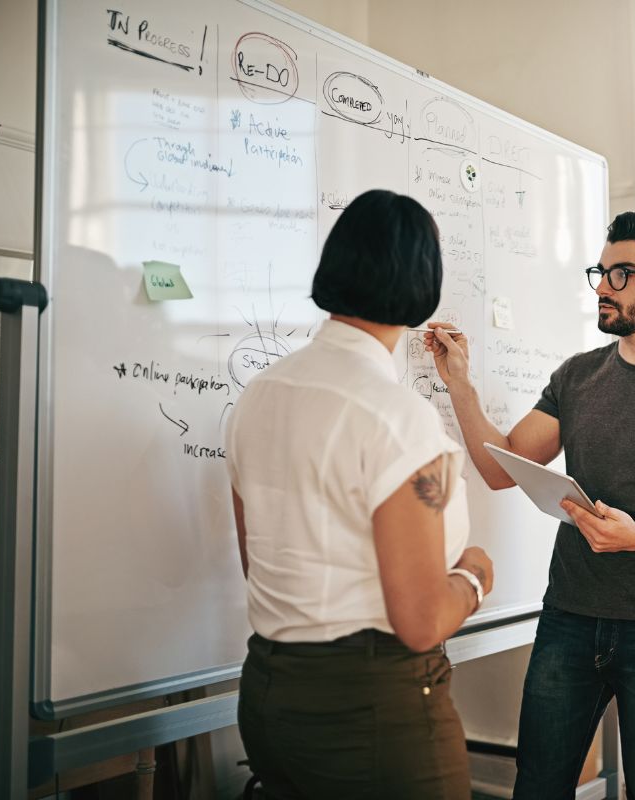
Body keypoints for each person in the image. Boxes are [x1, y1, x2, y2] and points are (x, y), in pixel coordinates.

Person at [225, 189, 493, 798]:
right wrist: (476, 575)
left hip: (268, 696)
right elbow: (422, 621)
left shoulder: (257, 397)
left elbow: (255, 562)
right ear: (423, 284)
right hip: (372, 712)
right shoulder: (401, 419)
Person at [425, 211, 635, 799]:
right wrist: (461, 386)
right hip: (569, 618)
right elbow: (504, 468)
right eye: (601, 272)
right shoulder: (577, 377)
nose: (603, 286)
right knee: (539, 787)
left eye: (623, 274)